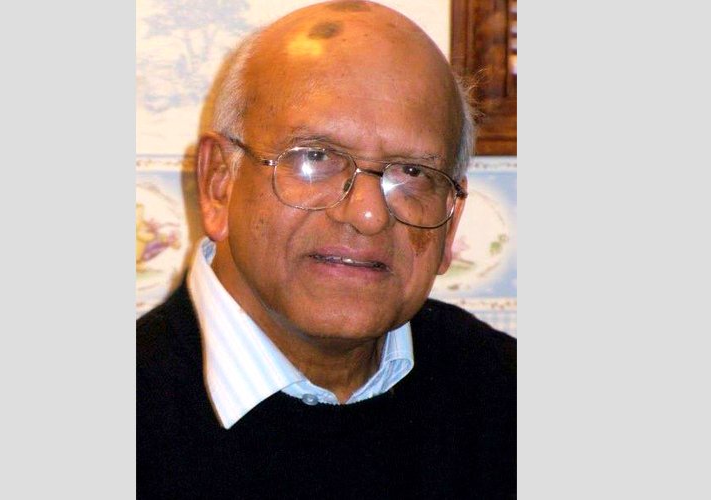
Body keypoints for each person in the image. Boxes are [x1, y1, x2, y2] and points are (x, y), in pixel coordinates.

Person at [137, 1, 516, 498]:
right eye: (316, 157)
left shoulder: (507, 398)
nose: (368, 214)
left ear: (451, 220)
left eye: (413, 172)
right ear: (218, 183)